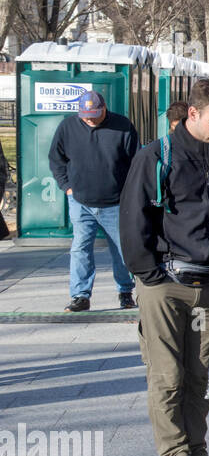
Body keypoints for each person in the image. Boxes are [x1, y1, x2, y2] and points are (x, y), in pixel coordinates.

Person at [120, 79, 209, 456]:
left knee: (200, 378)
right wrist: (149, 274)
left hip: (208, 285)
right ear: (193, 113)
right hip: (164, 285)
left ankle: (199, 454)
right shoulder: (156, 157)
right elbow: (133, 218)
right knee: (167, 376)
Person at [48, 91, 140, 312]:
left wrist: (130, 194)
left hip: (116, 202)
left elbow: (135, 163)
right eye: (85, 115)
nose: (89, 119)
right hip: (80, 201)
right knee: (80, 248)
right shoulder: (67, 127)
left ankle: (125, 291)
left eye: (94, 114)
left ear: (104, 108)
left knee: (121, 249)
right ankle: (80, 295)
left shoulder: (123, 126)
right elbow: (56, 159)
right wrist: (67, 187)